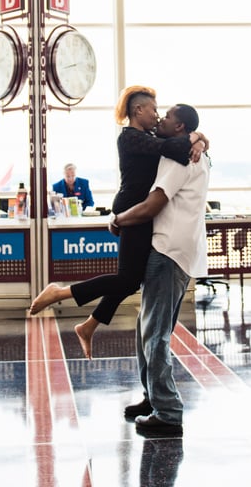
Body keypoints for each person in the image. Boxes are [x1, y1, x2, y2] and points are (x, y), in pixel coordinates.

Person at [30, 86, 208, 358]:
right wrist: (196, 137)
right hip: (132, 210)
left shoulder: (148, 135)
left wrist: (199, 140)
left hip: (143, 213)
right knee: (127, 279)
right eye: (154, 109)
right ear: (138, 110)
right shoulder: (130, 138)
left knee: (130, 280)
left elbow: (175, 143)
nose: (158, 116)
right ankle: (59, 293)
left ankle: (89, 325)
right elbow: (172, 146)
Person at [113, 104, 210, 437]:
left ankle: (167, 411)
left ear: (179, 125)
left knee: (154, 334)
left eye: (166, 116)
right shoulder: (197, 153)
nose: (160, 120)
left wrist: (118, 220)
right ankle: (153, 396)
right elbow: (194, 139)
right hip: (183, 250)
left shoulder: (178, 158)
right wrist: (199, 138)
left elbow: (153, 205)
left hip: (168, 251)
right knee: (149, 327)